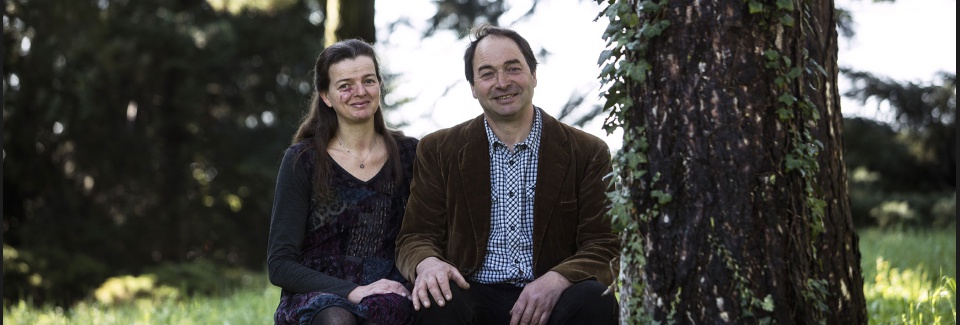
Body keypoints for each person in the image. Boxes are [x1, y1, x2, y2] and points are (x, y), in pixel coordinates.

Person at [395, 24, 619, 325]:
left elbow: (604, 243)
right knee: (435, 298)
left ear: (534, 75)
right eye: (487, 74)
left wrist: (558, 279)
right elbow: (415, 236)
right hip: (470, 292)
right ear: (473, 87)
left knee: (595, 299)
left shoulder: (587, 151)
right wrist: (428, 263)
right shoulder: (438, 149)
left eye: (513, 69)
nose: (502, 82)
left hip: (551, 296)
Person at [268, 39, 417, 325]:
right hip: (317, 294)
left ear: (379, 85)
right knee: (336, 319)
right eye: (345, 85)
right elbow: (280, 265)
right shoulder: (303, 160)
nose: (359, 92)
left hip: (389, 286)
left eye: (368, 81)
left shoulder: (410, 154)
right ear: (326, 96)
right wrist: (353, 291)